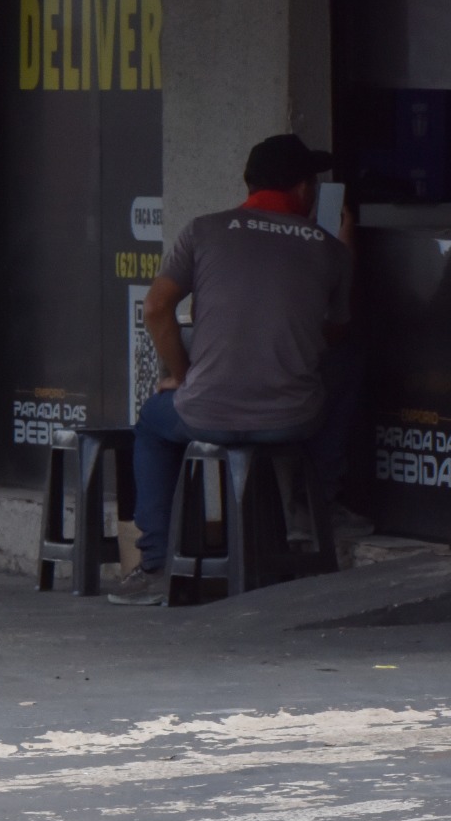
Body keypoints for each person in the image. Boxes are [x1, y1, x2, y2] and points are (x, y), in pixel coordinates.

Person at [111, 134, 353, 605]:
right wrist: (348, 248)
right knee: (347, 366)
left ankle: (156, 566)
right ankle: (316, 507)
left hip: (205, 414)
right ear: (304, 189)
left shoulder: (204, 230)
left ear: (249, 184)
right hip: (291, 421)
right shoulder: (330, 250)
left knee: (152, 425)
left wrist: (182, 375)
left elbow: (156, 308)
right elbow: (337, 332)